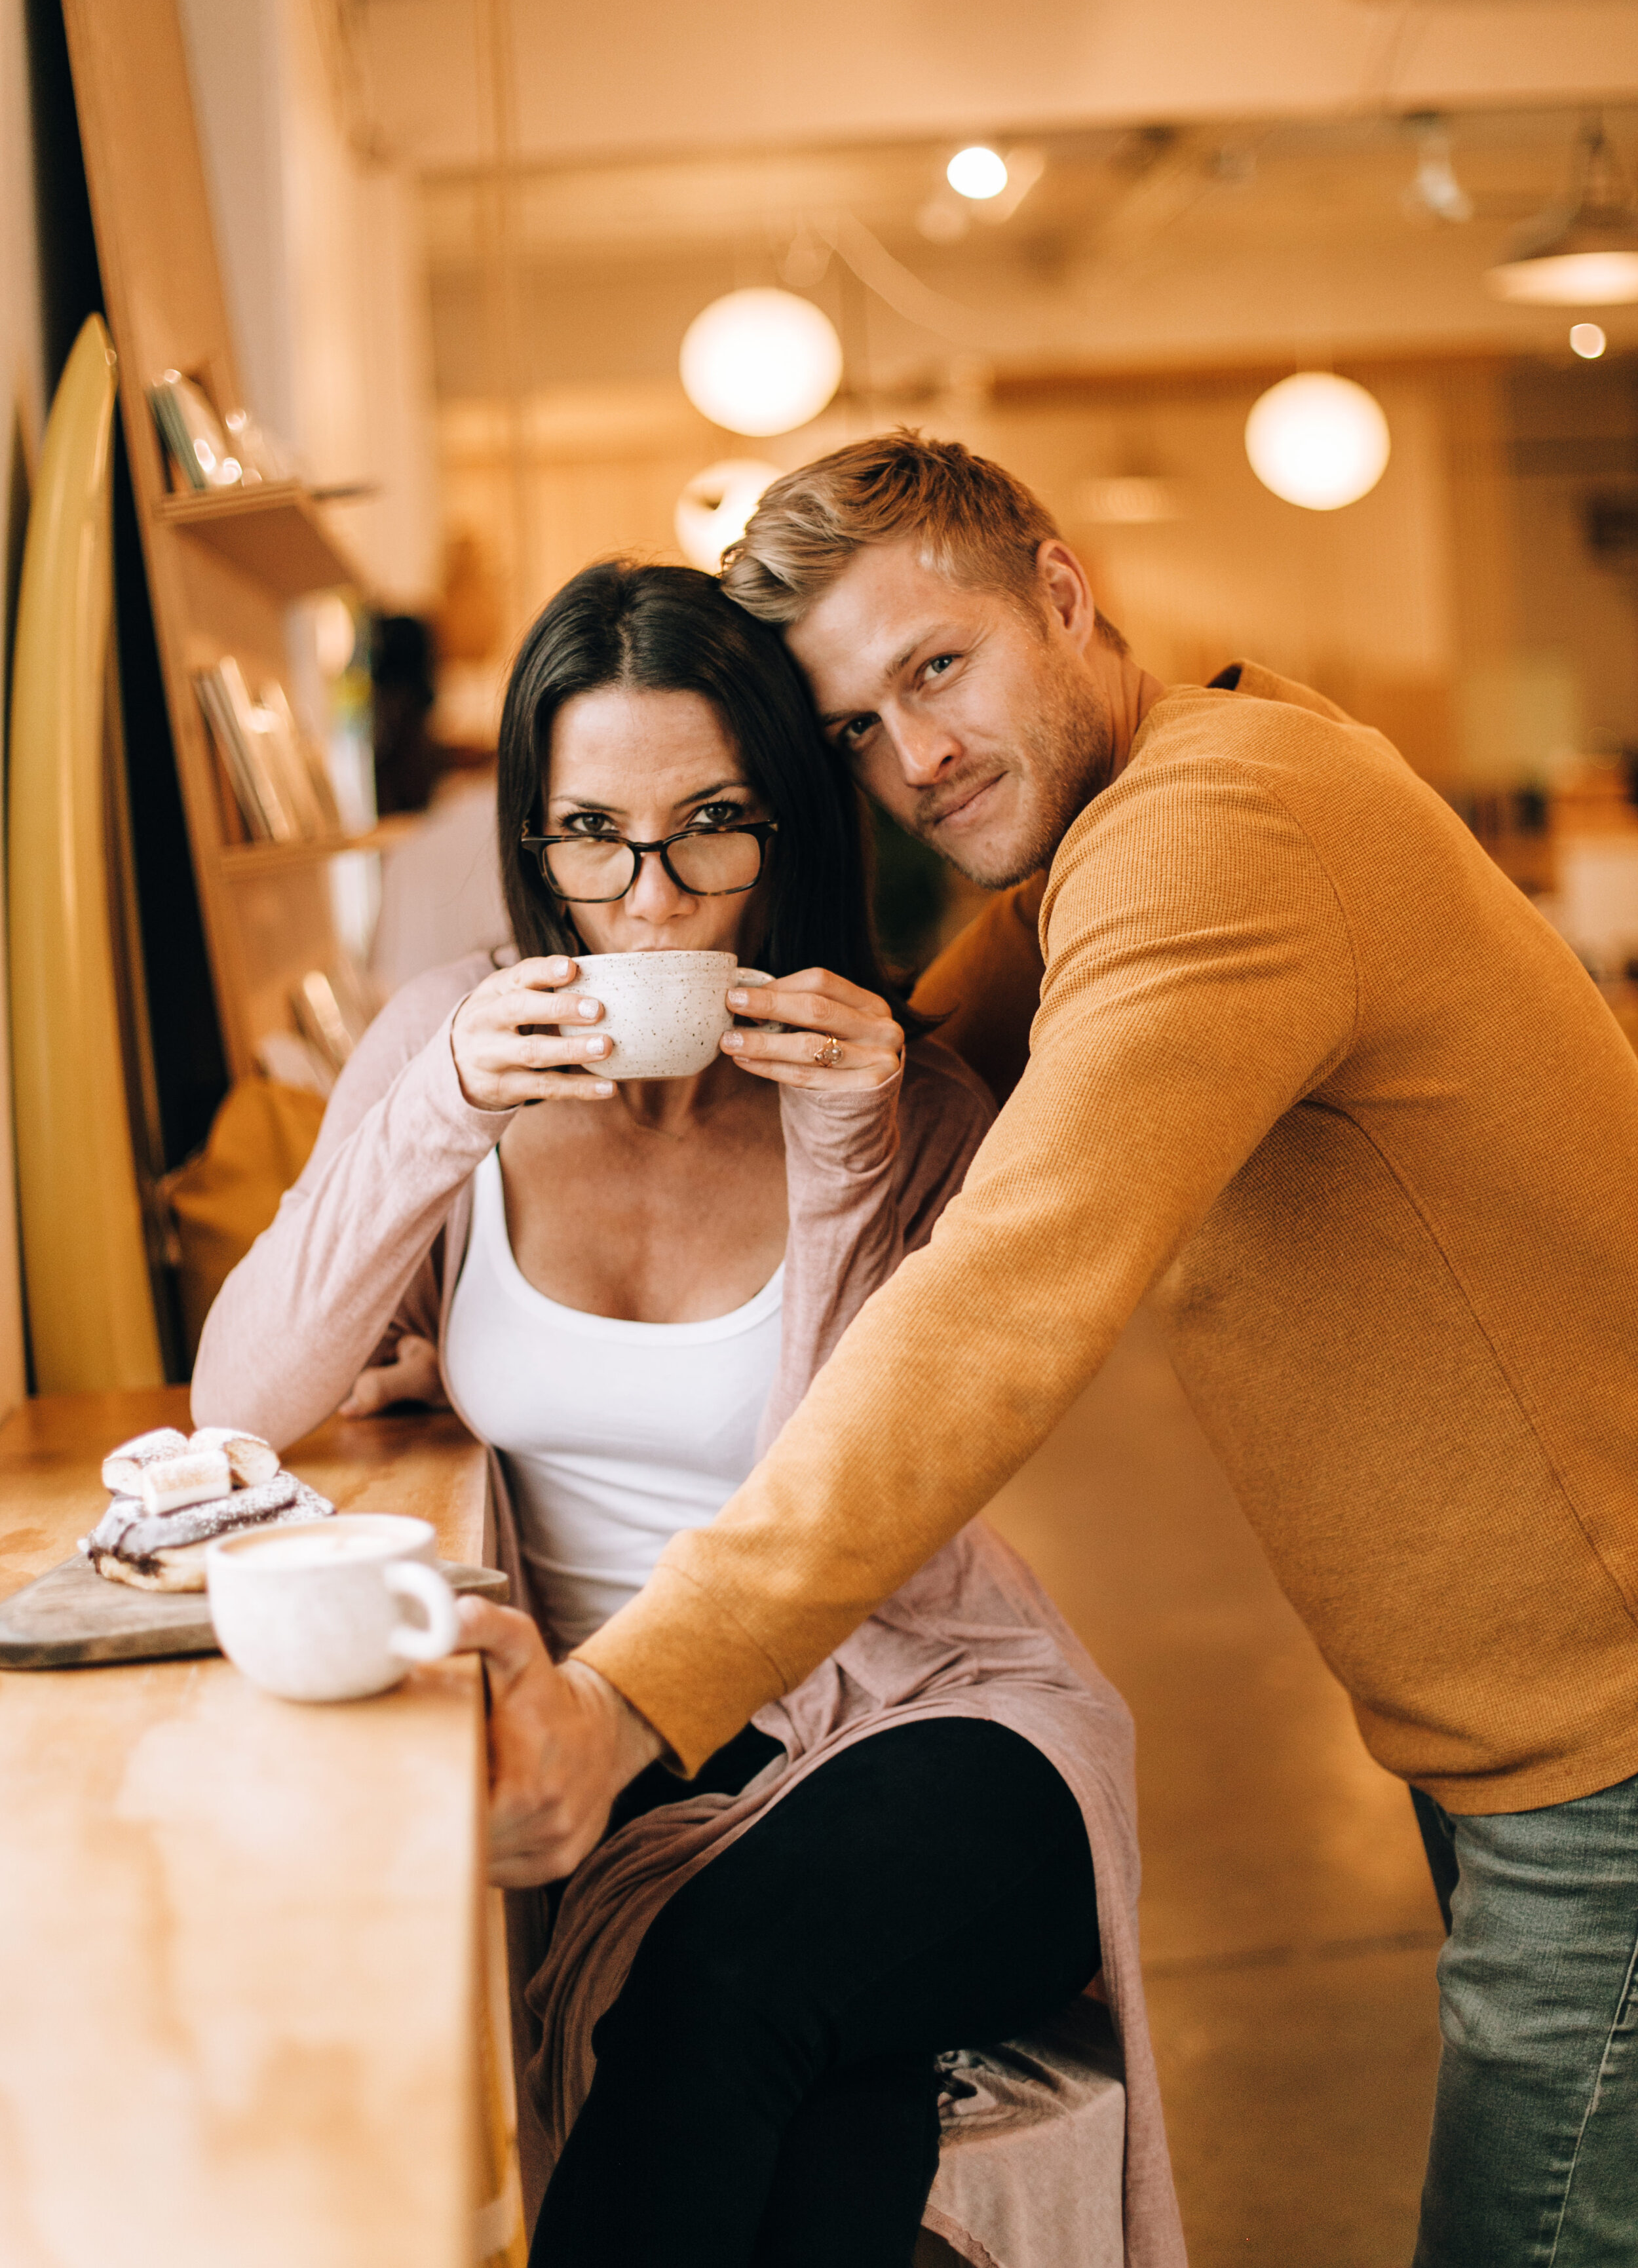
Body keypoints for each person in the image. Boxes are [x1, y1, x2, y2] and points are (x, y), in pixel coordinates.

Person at [499, 436, 1638, 2268]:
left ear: (1058, 588)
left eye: (934, 668)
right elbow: (925, 1064)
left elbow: (999, 1299)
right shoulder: (1135, 821)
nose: (917, 757)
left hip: (1611, 1751)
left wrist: (627, 1700)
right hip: (1527, 1744)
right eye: (854, 731)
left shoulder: (1213, 840)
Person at [192, 558, 1185, 2268]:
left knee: (722, 1989)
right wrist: (435, 1110)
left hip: (928, 1712)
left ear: (787, 827)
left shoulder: (901, 1098)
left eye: (709, 824)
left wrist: (851, 1149)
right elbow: (241, 1406)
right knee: (806, 2115)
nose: (648, 901)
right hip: (627, 1740)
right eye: (592, 834)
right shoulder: (446, 1040)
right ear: (534, 837)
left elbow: (855, 1493)